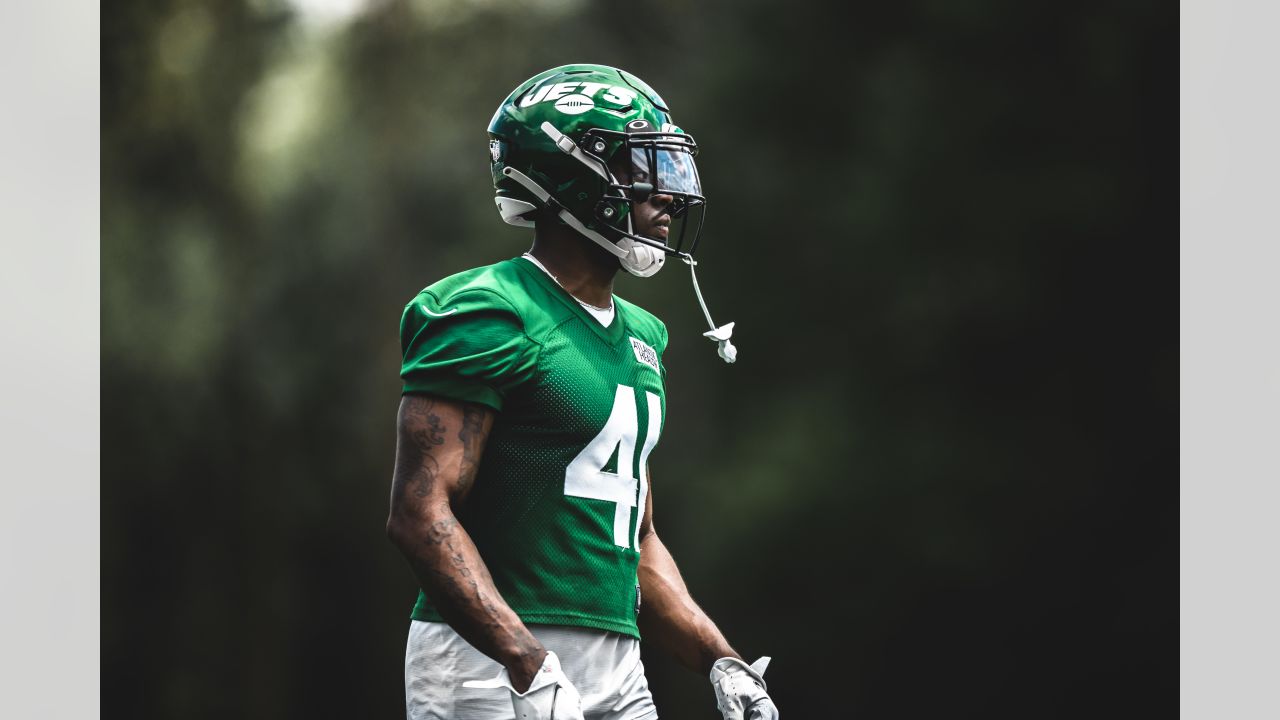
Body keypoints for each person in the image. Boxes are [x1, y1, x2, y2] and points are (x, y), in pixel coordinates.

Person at [385, 63, 778, 720]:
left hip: (616, 665)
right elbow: (419, 515)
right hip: (487, 662)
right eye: (643, 169)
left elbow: (636, 537)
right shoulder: (487, 311)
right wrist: (524, 659)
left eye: (670, 170)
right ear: (570, 174)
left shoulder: (645, 336)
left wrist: (720, 659)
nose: (670, 196)